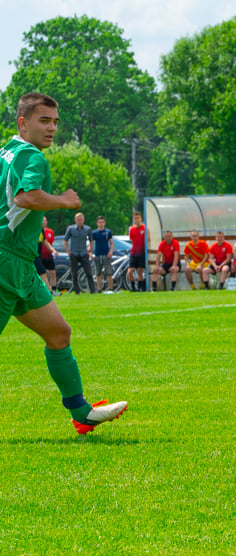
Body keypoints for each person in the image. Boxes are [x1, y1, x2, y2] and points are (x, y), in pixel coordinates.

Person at [0, 92, 127, 433]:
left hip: (20, 266)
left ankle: (81, 412)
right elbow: (25, 197)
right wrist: (63, 200)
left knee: (58, 333)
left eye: (55, 121)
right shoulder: (32, 157)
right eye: (44, 120)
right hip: (6, 263)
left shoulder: (5, 152)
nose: (52, 128)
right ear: (22, 123)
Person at [63, 212, 96, 294]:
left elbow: (92, 240)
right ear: (75, 220)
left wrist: (89, 248)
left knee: (88, 272)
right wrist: (68, 251)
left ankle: (93, 290)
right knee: (74, 273)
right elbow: (65, 240)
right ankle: (77, 291)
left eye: (81, 220)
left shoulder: (87, 229)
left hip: (83, 253)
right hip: (73, 253)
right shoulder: (71, 229)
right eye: (78, 220)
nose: (80, 221)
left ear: (83, 220)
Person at [91, 215, 114, 293]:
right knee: (98, 273)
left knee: (109, 273)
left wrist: (111, 251)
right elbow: (91, 244)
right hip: (97, 255)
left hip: (106, 254)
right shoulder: (94, 233)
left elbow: (111, 243)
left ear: (105, 223)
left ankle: (110, 289)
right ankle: (99, 289)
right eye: (99, 222)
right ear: (97, 223)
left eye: (102, 222)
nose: (101, 224)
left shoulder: (108, 232)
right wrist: (90, 253)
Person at [128, 210, 147, 292]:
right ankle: (133, 287)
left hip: (141, 253)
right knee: (130, 271)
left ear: (141, 219)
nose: (137, 220)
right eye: (135, 218)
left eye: (138, 218)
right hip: (133, 252)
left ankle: (139, 287)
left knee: (140, 271)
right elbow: (132, 240)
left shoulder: (144, 228)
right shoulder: (132, 229)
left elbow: (147, 239)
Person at [40, 216, 58, 293]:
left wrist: (53, 250)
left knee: (52, 273)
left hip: (48, 256)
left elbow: (47, 242)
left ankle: (53, 289)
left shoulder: (49, 231)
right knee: (42, 274)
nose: (43, 222)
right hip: (39, 256)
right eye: (42, 220)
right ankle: (46, 291)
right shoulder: (35, 230)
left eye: (45, 221)